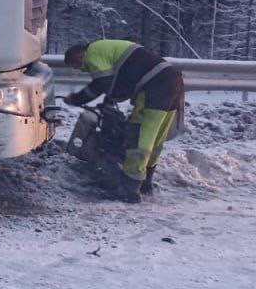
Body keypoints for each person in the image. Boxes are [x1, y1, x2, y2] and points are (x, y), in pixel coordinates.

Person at [63, 39, 186, 201]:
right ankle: (146, 182)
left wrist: (77, 99)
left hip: (154, 86)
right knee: (156, 137)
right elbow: (123, 79)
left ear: (80, 54)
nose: (79, 69)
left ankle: (130, 188)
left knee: (140, 136)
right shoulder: (109, 48)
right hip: (173, 80)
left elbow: (102, 82)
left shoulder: (92, 53)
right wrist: (111, 99)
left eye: (76, 64)